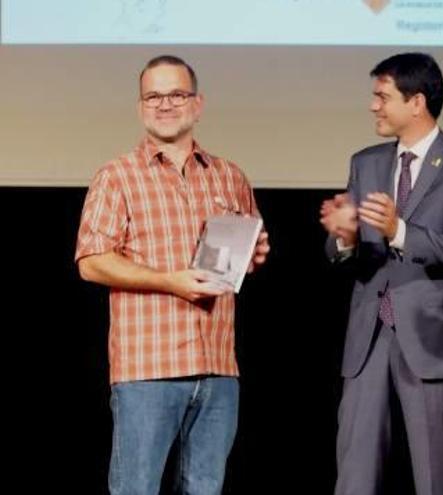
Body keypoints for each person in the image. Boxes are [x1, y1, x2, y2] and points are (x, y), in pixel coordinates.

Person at [75, 54, 270, 495]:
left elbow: (242, 254)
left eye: (176, 94)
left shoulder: (229, 175)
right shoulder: (116, 176)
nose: (165, 104)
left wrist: (253, 254)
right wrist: (170, 280)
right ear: (141, 106)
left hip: (218, 369)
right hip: (148, 370)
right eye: (153, 96)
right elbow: (91, 262)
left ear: (197, 104)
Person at [320, 52, 443, 495]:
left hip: (431, 334)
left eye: (383, 96)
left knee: (437, 475)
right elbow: (350, 253)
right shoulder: (366, 162)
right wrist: (345, 237)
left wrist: (398, 229)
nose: (373, 106)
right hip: (369, 334)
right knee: (354, 470)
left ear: (417, 102)